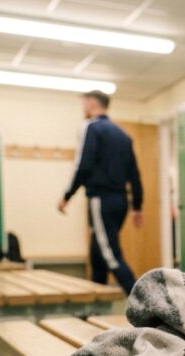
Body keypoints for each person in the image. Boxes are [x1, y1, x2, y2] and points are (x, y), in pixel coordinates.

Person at [57, 90, 143, 294]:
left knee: (110, 254)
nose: (83, 109)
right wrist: (137, 205)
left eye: (84, 104)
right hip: (120, 201)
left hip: (101, 200)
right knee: (97, 253)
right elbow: (134, 173)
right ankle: (97, 301)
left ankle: (145, 301)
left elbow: (83, 165)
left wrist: (67, 196)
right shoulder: (123, 135)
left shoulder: (92, 128)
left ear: (92, 103)